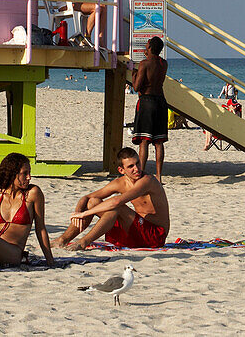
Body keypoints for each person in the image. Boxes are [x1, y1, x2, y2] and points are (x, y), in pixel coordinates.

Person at [51, 146, 170, 251]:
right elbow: (87, 197)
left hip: (155, 235)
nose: (137, 169)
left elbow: (117, 201)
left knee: (117, 207)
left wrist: (85, 214)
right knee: (93, 202)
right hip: (135, 232)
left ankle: (83, 242)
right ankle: (63, 240)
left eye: (138, 163)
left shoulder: (147, 180)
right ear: (121, 170)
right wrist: (78, 212)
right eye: (131, 166)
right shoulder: (120, 183)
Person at [132, 37, 169, 180]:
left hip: (147, 101)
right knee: (158, 142)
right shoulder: (163, 64)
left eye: (147, 45)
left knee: (144, 140)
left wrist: (134, 74)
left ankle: (140, 173)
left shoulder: (144, 64)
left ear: (150, 47)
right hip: (160, 101)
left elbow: (137, 87)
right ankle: (159, 176)